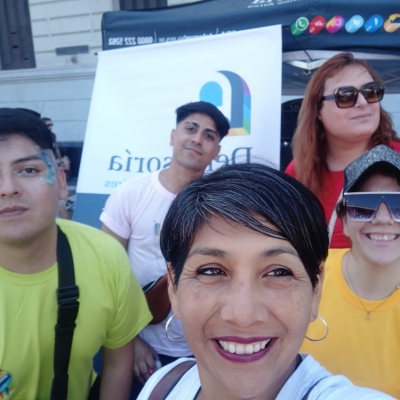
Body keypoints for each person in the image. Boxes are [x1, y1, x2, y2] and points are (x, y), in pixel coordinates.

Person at [137, 162, 394, 400]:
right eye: (212, 271)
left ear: (316, 288)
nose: (243, 316)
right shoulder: (163, 384)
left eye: (279, 272)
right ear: (174, 286)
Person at [0, 108, 152, 400]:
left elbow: (117, 364)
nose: (8, 189)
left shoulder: (105, 256)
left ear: (60, 182)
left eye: (28, 170)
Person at [100, 101, 230, 397]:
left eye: (209, 135)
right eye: (191, 129)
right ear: (173, 135)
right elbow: (106, 273)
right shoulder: (131, 194)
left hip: (205, 349)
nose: (197, 139)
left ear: (217, 151)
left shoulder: (223, 206)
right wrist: (130, 340)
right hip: (139, 346)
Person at [301, 145, 400, 398]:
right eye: (363, 205)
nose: (383, 218)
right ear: (344, 221)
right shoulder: (306, 277)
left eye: (398, 204)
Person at [285, 52, 400, 248]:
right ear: (318, 111)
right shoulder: (299, 170)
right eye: (346, 96)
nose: (363, 102)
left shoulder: (397, 157)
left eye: (371, 92)